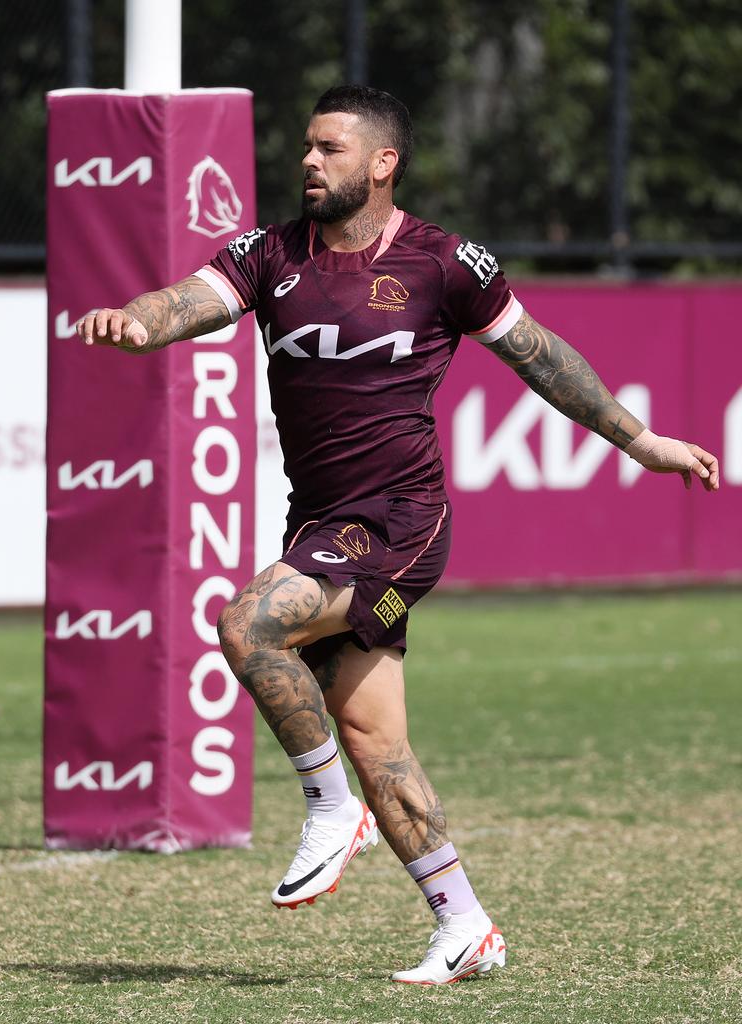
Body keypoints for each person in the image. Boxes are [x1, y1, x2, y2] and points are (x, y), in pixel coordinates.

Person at [77, 85, 720, 985]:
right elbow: (189, 300)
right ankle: (465, 926)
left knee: (247, 623)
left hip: (398, 525)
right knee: (377, 741)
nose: (309, 160)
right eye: (306, 146)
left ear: (383, 163)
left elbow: (542, 358)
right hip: (322, 524)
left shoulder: (446, 263)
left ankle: (326, 806)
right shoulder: (271, 255)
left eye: (330, 148)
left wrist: (640, 439)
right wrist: (137, 321)